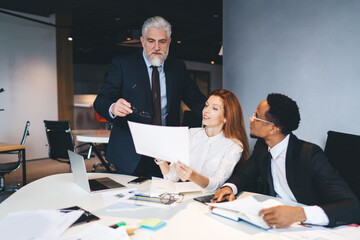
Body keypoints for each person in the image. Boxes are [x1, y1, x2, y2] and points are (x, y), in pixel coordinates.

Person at [212, 93, 360, 228]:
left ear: (272, 128)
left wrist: (298, 213)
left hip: (309, 227)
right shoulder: (263, 147)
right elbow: (244, 175)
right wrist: (229, 188)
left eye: (256, 116)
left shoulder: (309, 155)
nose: (250, 119)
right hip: (274, 225)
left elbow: (352, 207)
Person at [93, 16, 206, 177]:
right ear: (142, 41)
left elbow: (196, 100)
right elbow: (101, 101)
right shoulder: (123, 64)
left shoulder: (177, 67)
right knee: (129, 200)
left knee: (164, 197)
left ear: (169, 42)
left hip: (166, 152)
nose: (157, 47)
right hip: (130, 151)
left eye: (162, 41)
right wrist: (113, 107)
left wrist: (220, 116)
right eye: (151, 41)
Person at [155, 90, 249, 191]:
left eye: (214, 108)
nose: (206, 111)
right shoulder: (190, 134)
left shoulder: (234, 145)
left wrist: (193, 176)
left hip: (211, 200)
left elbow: (217, 184)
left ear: (226, 117)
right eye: (206, 105)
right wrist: (160, 160)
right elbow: (172, 178)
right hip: (184, 197)